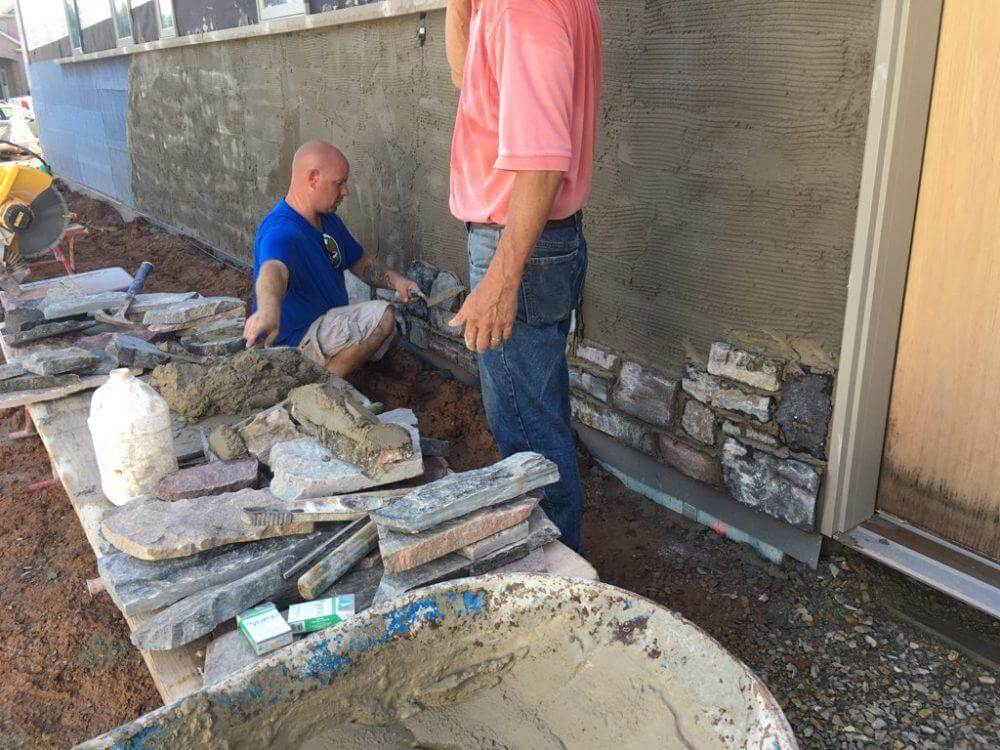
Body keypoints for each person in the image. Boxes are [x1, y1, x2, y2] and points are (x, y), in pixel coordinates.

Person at [446, 0, 602, 552]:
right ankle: (565, 567)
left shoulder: (524, 8)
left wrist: (502, 279)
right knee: (537, 411)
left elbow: (541, 157)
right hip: (534, 238)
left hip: (519, 241)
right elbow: (474, 86)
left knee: (527, 433)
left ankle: (563, 579)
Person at [243, 140, 419, 377]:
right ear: (313, 179)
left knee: (382, 330)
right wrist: (268, 312)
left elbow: (361, 262)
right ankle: (319, 390)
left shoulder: (328, 221)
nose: (346, 191)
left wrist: (398, 282)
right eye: (339, 183)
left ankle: (323, 376)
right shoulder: (281, 230)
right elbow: (273, 270)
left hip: (322, 327)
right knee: (384, 317)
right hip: (297, 342)